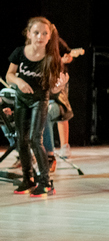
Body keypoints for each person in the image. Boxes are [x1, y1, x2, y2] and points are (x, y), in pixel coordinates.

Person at [7, 17, 65, 196]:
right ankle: (28, 179)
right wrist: (19, 81)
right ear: (29, 34)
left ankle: (46, 182)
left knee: (34, 139)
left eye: (44, 33)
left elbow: (53, 88)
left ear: (49, 36)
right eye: (36, 33)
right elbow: (9, 75)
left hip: (39, 100)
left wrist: (59, 87)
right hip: (21, 100)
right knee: (21, 140)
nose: (40, 36)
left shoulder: (52, 58)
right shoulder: (20, 52)